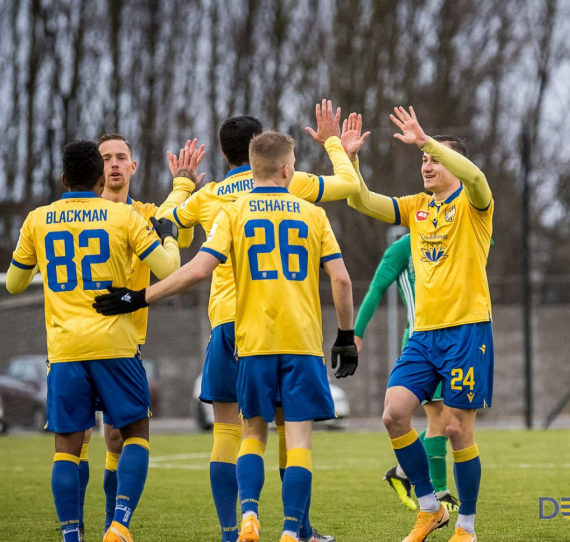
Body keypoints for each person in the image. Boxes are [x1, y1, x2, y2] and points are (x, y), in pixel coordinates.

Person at [93, 130, 358, 542]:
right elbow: (341, 272)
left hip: (239, 333)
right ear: (287, 168)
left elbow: (183, 249)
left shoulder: (223, 205)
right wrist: (345, 334)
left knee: (241, 432)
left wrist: (139, 295)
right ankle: (294, 530)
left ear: (235, 158)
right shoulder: (308, 205)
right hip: (299, 338)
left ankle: (238, 524)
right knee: (296, 436)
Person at [6, 140, 182, 542]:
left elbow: (15, 284)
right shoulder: (123, 217)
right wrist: (169, 236)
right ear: (101, 177)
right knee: (135, 434)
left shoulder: (38, 219)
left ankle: (72, 535)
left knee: (67, 448)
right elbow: (169, 269)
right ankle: (119, 523)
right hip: (117, 346)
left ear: (63, 178)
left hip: (65, 350)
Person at [344, 107, 493, 542]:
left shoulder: (473, 204)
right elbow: (361, 200)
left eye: (433, 159)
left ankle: (466, 526)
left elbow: (479, 178)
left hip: (467, 331)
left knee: (455, 429)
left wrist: (428, 141)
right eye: (423, 160)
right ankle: (430, 509)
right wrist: (350, 160)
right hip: (424, 336)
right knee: (393, 415)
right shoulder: (416, 209)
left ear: (452, 166)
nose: (426, 164)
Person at [76, 134, 204, 538]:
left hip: (125, 341)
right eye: (106, 158)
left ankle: (114, 523)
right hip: (76, 339)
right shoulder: (75, 215)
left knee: (116, 436)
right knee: (75, 435)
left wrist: (183, 186)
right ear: (96, 170)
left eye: (122, 158)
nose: (114, 164)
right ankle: (75, 524)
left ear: (133, 167)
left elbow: (179, 235)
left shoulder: (147, 213)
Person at [352, 232, 459, 513]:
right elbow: (376, 288)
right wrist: (357, 334)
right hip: (422, 345)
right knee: (438, 418)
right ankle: (440, 493)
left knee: (449, 421)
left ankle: (402, 471)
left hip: (455, 343)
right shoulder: (403, 248)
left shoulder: (452, 237)